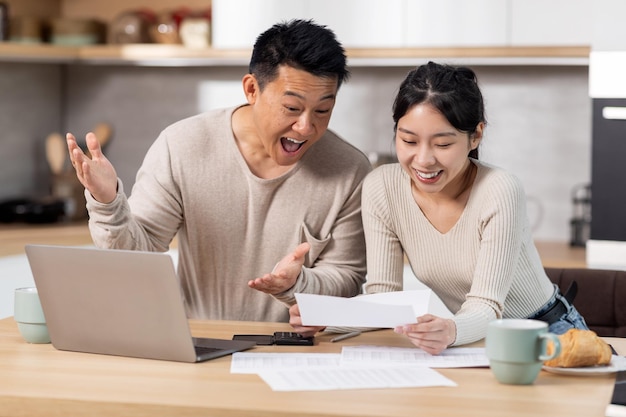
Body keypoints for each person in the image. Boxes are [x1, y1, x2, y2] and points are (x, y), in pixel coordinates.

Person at [65, 19, 372, 323]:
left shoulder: (349, 169)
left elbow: (347, 275)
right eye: (291, 108)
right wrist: (106, 201)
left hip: (297, 350)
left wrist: (298, 285)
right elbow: (134, 255)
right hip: (201, 342)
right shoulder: (182, 146)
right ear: (252, 89)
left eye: (322, 110)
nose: (306, 127)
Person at [290, 61, 588, 354]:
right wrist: (326, 318)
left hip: (548, 333)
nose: (423, 160)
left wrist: (450, 330)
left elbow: (487, 306)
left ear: (476, 135)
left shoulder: (500, 189)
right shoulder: (382, 186)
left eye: (443, 145)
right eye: (408, 140)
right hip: (476, 342)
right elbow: (384, 297)